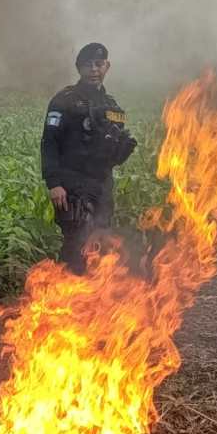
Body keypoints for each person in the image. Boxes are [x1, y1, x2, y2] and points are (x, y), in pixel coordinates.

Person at [40, 42, 137, 274]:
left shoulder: (112, 107)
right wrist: (54, 184)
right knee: (76, 240)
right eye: (87, 65)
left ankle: (94, 299)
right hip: (71, 183)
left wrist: (120, 152)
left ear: (107, 66)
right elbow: (49, 142)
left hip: (102, 184)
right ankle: (66, 294)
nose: (94, 69)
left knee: (100, 240)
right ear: (79, 68)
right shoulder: (64, 101)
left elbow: (111, 156)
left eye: (99, 64)